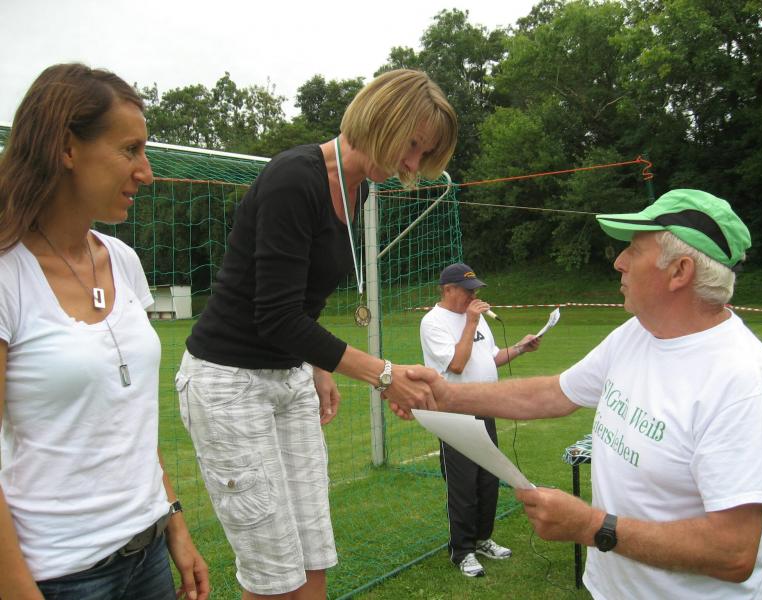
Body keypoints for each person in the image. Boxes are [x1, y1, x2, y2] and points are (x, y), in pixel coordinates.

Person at [405, 189, 762, 599]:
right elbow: (553, 394)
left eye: (634, 250)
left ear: (679, 271)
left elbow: (733, 552)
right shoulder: (636, 333)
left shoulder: (742, 382)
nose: (618, 261)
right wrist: (444, 396)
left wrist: (592, 526)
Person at [176, 69, 458, 599]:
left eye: (424, 155)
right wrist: (385, 375)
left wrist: (316, 363)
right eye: (412, 145)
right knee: (274, 574)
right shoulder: (294, 178)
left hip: (288, 377)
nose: (412, 165)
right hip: (230, 382)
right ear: (380, 119)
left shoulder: (359, 190)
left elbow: (303, 300)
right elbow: (276, 316)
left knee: (313, 557)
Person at [0, 64, 209, 600]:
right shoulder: (7, 274)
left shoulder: (123, 261)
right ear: (66, 148)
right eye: (130, 150)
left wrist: (174, 522)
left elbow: (130, 417)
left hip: (147, 553)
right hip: (60, 574)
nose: (146, 172)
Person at [420, 262, 540, 577]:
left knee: (488, 481)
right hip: (454, 414)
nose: (473, 296)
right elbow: (457, 365)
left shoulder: (477, 318)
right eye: (467, 290)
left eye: (475, 290)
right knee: (463, 485)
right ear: (448, 289)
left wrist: (520, 348)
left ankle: (482, 538)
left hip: (485, 407)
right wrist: (471, 321)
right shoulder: (433, 322)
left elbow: (491, 356)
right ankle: (462, 551)